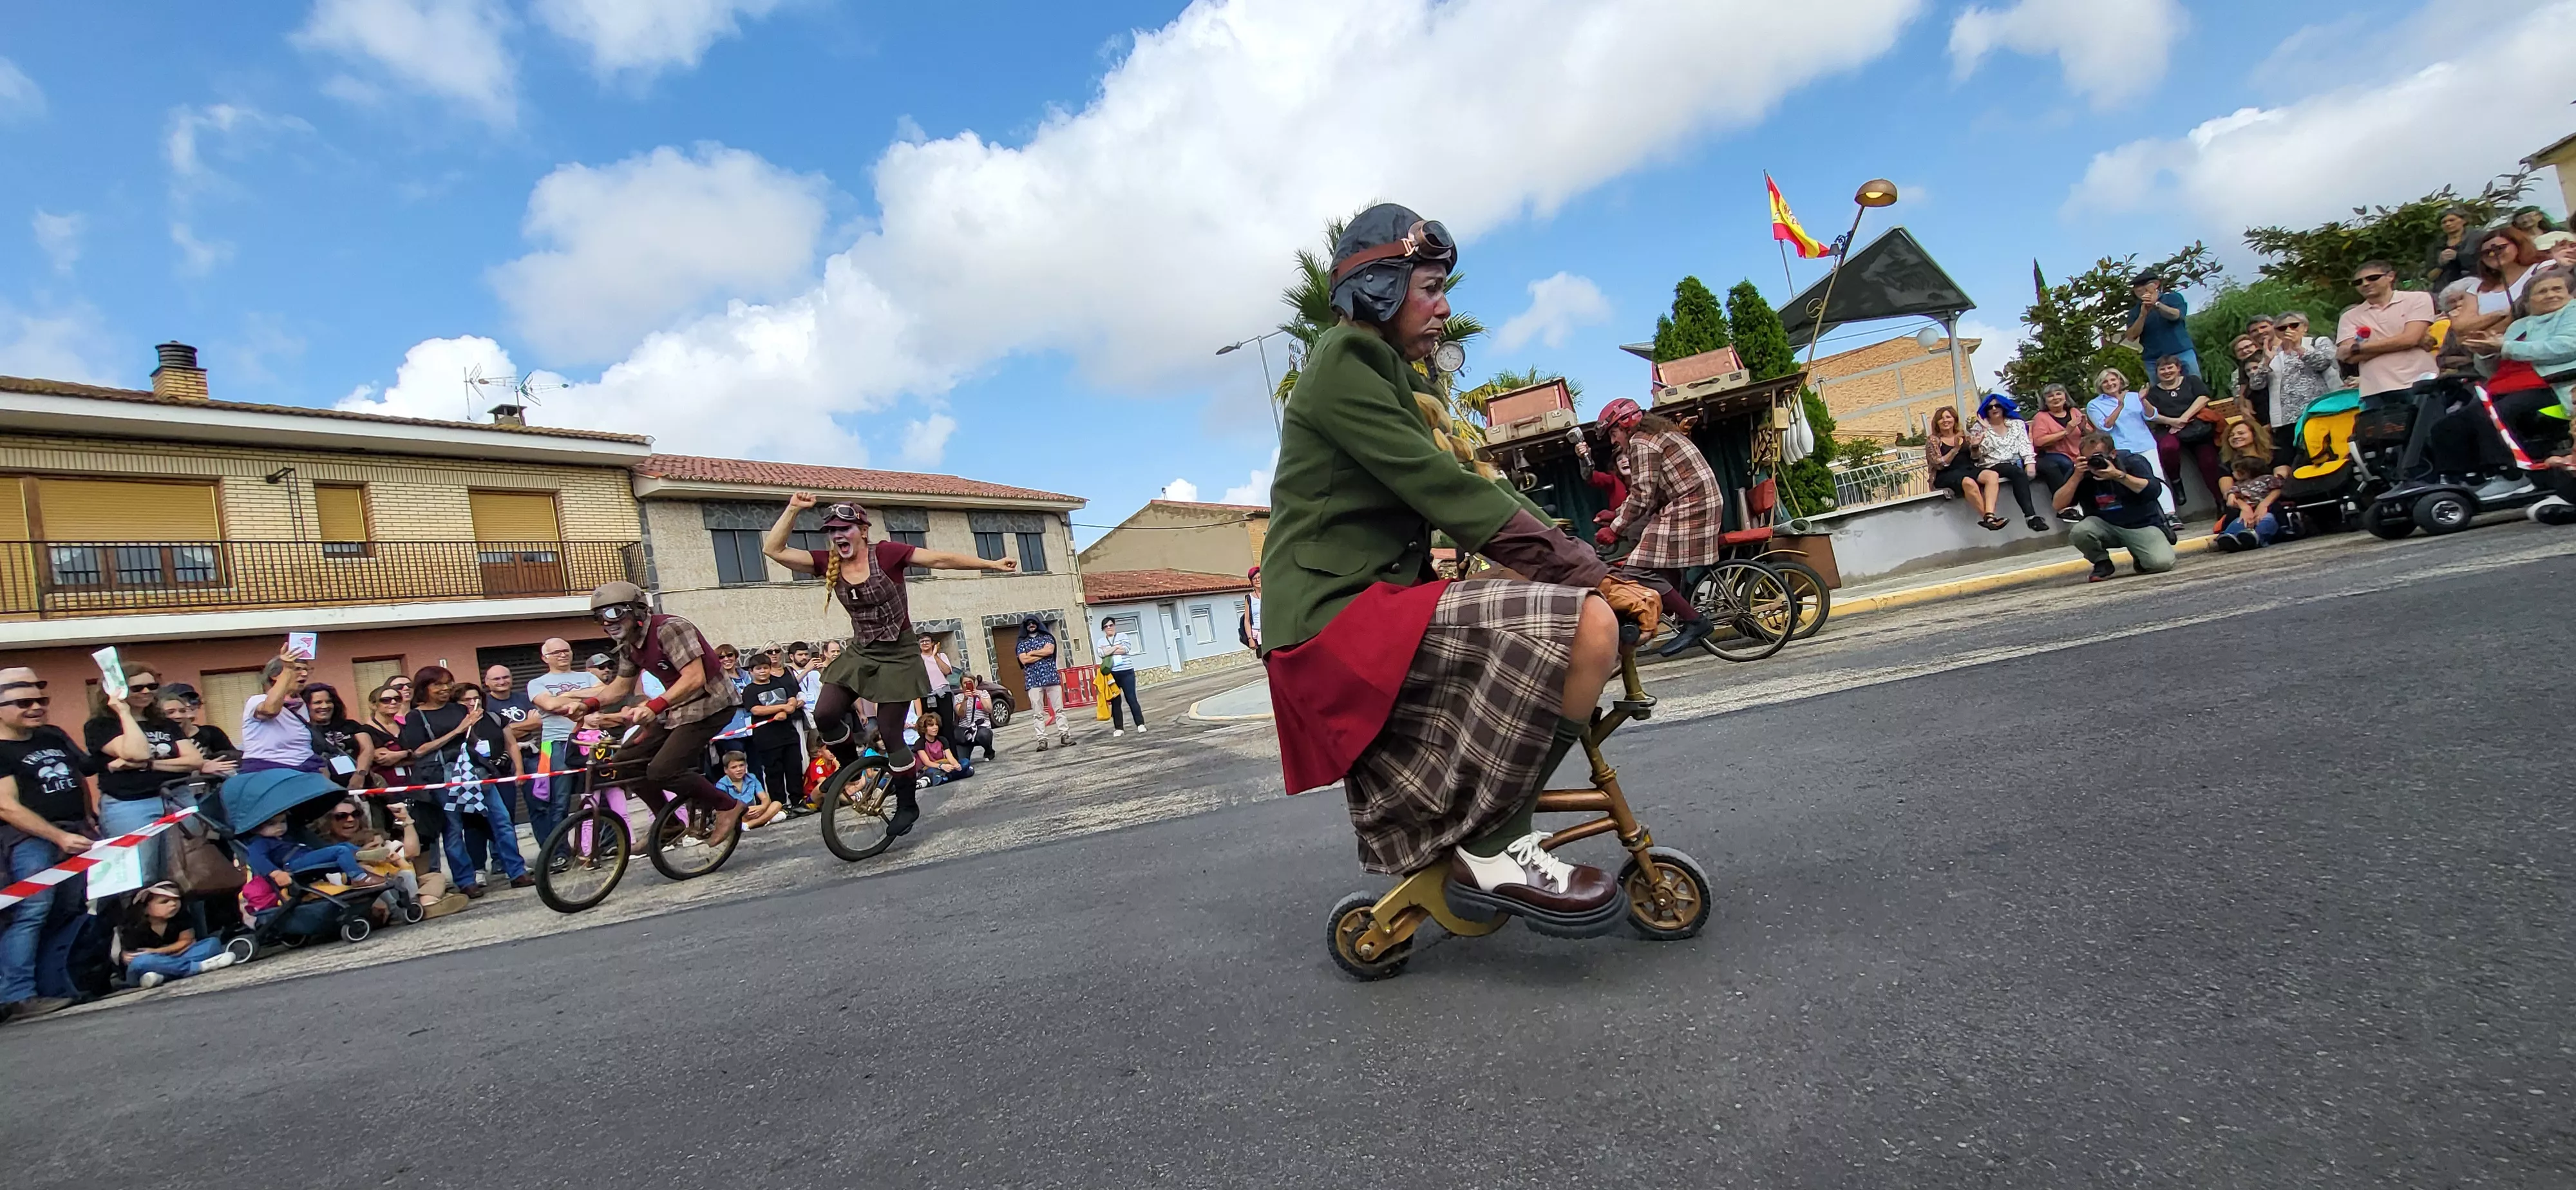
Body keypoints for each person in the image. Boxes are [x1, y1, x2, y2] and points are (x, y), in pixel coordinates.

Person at [1260, 202, 1656, 925]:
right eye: (1430, 288)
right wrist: (1592, 580)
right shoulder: (1345, 364)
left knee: (1571, 607)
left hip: (1370, 608)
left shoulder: (1395, 376)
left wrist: (1587, 559)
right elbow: (1448, 493)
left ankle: (1489, 832)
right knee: (1585, 627)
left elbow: (1483, 483)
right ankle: (1495, 844)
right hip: (1334, 625)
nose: (1444, 308)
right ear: (1380, 289)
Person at [757, 497, 1016, 837]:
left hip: (899, 653)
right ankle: (851, 767)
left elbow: (939, 558)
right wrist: (793, 509)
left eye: (845, 528)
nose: (838, 536)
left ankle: (907, 804)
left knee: (892, 733)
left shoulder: (887, 553)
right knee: (825, 715)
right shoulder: (827, 562)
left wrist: (991, 563)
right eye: (832, 531)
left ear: (863, 531)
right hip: (862, 651)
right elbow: (773, 550)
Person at [564, 583, 748, 849]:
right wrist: (589, 705)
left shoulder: (670, 629)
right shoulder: (629, 644)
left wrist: (653, 706)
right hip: (677, 707)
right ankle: (670, 823)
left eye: (615, 613)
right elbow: (621, 686)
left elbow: (695, 678)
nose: (607, 622)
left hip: (711, 703)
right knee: (625, 761)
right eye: (600, 616)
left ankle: (727, 805)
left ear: (637, 611)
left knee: (663, 770)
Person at [1591, 396, 1725, 654]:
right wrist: (1616, 514)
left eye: (1614, 433)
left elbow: (1642, 494)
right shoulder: (1659, 434)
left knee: (1637, 569)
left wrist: (1615, 529)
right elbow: (1650, 494)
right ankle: (1682, 611)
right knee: (1658, 562)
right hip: (1696, 502)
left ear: (1626, 424)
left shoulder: (1641, 442)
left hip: (1691, 506)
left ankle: (1694, 621)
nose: (1613, 441)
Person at [0, 667, 96, 1021]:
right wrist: (58, 837)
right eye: (24, 702)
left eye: (42, 699)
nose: (36, 707)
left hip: (74, 833)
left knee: (68, 910)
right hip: (29, 841)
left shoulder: (52, 735)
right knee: (30, 913)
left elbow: (82, 774)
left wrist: (87, 822)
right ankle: (17, 996)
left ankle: (54, 986)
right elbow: (6, 805)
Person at [396, 667, 531, 896]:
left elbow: (473, 739)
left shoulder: (459, 709)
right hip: (442, 777)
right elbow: (419, 751)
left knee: (502, 822)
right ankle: (465, 881)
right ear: (424, 688)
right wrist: (458, 730)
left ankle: (517, 872)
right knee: (453, 830)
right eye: (438, 684)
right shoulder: (416, 716)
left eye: (448, 683)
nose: (445, 688)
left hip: (476, 772)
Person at [2459, 265, 2576, 502]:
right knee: (2453, 422)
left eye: (2557, 289)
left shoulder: (2573, 313)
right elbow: (2491, 370)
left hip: (2556, 388)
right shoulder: (2519, 326)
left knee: (2493, 415)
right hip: (2508, 387)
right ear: (2528, 300)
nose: (2551, 295)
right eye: (2542, 292)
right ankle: (2459, 478)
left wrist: (2505, 346)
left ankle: (2513, 476)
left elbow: (2567, 347)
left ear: (2570, 294)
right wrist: (2486, 353)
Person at [83, 659, 196, 887]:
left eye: (152, 687)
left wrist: (149, 766)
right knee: (140, 874)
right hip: (131, 804)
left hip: (177, 798)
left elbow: (194, 760)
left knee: (189, 870)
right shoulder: (101, 725)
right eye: (137, 688)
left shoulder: (164, 723)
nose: (146, 692)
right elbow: (137, 752)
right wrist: (123, 712)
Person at [2050, 431, 2175, 581]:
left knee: (2161, 563)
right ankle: (2102, 562)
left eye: (2098, 457)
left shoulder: (2132, 462)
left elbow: (2154, 490)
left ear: (2113, 454)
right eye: (2089, 459)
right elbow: (2058, 504)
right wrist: (2076, 476)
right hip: (2105, 525)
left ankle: (2141, 557)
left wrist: (2118, 475)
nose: (2094, 462)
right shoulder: (2082, 472)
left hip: (2142, 525)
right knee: (2079, 531)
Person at [520, 638, 600, 845]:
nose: (562, 655)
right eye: (556, 652)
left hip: (591, 740)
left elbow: (606, 694)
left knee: (600, 792)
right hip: (555, 744)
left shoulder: (588, 676)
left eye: (566, 650)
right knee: (559, 800)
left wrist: (569, 695)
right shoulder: (536, 683)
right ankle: (559, 852)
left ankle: (602, 844)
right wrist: (585, 701)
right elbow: (550, 704)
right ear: (545, 658)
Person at [450, 683, 525, 880]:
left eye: (476, 699)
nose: (472, 703)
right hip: (471, 778)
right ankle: (478, 868)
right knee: (474, 824)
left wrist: (519, 769)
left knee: (505, 821)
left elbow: (511, 744)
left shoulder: (495, 717)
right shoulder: (457, 723)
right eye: (466, 700)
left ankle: (510, 865)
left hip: (500, 773)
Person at [2338, 260, 2440, 404]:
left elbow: (2410, 339)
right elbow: (2350, 358)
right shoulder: (2349, 316)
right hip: (2376, 390)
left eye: (2373, 278)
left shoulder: (2418, 298)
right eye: (2358, 282)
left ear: (2390, 276)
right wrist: (2410, 341)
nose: (2365, 284)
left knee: (2428, 427)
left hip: (2420, 382)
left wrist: (2358, 348)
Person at [2085, 368, 2174, 517]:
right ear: (2100, 385)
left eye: (2113, 380)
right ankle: (2145, 516)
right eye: (2105, 381)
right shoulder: (2094, 405)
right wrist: (2119, 406)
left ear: (2120, 381)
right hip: (2121, 449)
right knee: (2127, 483)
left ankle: (2170, 514)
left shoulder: (2134, 396)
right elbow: (2104, 426)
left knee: (2157, 479)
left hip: (2145, 444)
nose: (2110, 384)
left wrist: (2143, 400)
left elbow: (2152, 416)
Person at [117, 882, 238, 989]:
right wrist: (169, 952)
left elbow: (187, 941)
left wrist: (157, 951)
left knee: (212, 943)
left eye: (177, 900)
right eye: (164, 902)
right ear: (146, 909)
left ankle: (163, 975)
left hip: (171, 959)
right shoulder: (133, 926)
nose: (174, 904)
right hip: (147, 965)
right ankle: (199, 967)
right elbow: (133, 959)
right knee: (142, 962)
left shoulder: (181, 917)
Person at [2143, 355, 2220, 513]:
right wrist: (2173, 422)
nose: (2167, 371)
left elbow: (2203, 398)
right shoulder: (2153, 393)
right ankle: (2177, 484)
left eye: (2170, 367)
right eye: (2162, 369)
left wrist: (2183, 419)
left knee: (2209, 462)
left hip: (2196, 426)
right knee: (2168, 448)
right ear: (2157, 373)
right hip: (2168, 428)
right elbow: (2152, 415)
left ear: (2178, 368)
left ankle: (2221, 501)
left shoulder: (2191, 381)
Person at [2266, 312, 2341, 462]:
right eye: (2282, 328)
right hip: (2288, 418)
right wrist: (2265, 363)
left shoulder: (2318, 342)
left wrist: (2299, 348)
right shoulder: (2274, 353)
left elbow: (2324, 364)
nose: (2288, 330)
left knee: (2327, 454)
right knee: (2300, 459)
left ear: (2305, 327)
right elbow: (2257, 384)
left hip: (2319, 411)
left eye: (2294, 326)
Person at [1965, 393, 2045, 531]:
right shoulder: (1980, 428)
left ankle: (2067, 509)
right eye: (1990, 407)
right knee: (2015, 472)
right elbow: (1976, 457)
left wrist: (2030, 463)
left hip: (2017, 462)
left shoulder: (2017, 424)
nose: (1994, 409)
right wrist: (1977, 442)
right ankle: (2031, 517)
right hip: (1992, 464)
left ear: (2003, 407)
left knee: (2050, 467)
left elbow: (2025, 445)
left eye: (1997, 405)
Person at [242, 813, 381, 890]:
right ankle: (358, 877)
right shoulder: (259, 843)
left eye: (283, 822)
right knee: (340, 850)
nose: (280, 827)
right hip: (294, 864)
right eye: (272, 824)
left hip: (304, 857)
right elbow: (256, 859)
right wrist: (275, 873)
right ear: (256, 828)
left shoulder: (286, 837)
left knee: (345, 846)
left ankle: (364, 855)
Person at [240, 644, 321, 773]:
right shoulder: (256, 701)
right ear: (276, 675)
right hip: (269, 769)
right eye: (297, 669)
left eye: (307, 670)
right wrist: (288, 669)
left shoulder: (301, 705)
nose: (305, 674)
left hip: (305, 768)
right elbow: (270, 710)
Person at [741, 652, 805, 811]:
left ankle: (798, 802)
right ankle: (780, 804)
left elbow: (792, 700)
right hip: (767, 738)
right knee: (774, 772)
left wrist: (787, 709)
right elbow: (756, 710)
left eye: (765, 668)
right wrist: (782, 708)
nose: (762, 671)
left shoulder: (781, 683)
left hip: (789, 734)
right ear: (751, 671)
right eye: (758, 669)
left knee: (795, 768)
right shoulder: (750, 690)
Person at [481, 664, 539, 829]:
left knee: (540, 804)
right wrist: (527, 724)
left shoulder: (523, 698)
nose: (502, 681)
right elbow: (494, 734)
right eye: (496, 679)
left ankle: (551, 851)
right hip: (502, 761)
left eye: (505, 677)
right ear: (487, 682)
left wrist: (505, 730)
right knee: (504, 811)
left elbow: (539, 722)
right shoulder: (486, 704)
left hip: (530, 755)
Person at [1013, 617, 1072, 752]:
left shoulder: (1047, 638)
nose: (1031, 625)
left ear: (1038, 624)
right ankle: (1042, 739)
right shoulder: (1022, 643)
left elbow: (1050, 651)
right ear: (1025, 627)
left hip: (1051, 677)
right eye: (1028, 624)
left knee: (1059, 709)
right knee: (1037, 713)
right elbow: (1024, 660)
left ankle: (1064, 735)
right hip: (1033, 681)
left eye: (1033, 623)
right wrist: (1042, 653)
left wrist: (1032, 653)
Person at [299, 683, 372, 791]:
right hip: (324, 789)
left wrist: (360, 775)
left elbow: (367, 749)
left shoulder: (351, 725)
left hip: (360, 785)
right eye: (317, 703)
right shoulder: (302, 731)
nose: (325, 706)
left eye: (329, 702)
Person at [2126, 270, 2196, 377]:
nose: (2140, 289)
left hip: (2181, 353)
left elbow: (2176, 315)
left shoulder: (2173, 298)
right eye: (2136, 286)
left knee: (2195, 385)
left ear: (2156, 284)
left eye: (2144, 284)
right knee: (2159, 392)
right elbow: (2131, 337)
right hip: (2154, 360)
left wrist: (2157, 304)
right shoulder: (2134, 311)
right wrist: (2143, 315)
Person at [2029, 384, 2094, 498]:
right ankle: (2069, 500)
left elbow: (2091, 436)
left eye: (2059, 394)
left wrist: (2083, 428)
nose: (2055, 398)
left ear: (2065, 397)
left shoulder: (2074, 412)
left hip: (2078, 453)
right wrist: (2066, 432)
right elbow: (2039, 442)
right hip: (2055, 455)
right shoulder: (2041, 417)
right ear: (2045, 401)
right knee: (2066, 464)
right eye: (2050, 396)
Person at [2212, 456, 2284, 552]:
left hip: (2266, 511)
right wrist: (2240, 504)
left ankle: (2255, 537)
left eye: (2237, 471)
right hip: (2246, 513)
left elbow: (2279, 490)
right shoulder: (2238, 485)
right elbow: (2230, 500)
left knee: (2268, 520)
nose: (2233, 474)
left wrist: (2264, 504)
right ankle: (2229, 537)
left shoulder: (2268, 479)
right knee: (2239, 522)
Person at [1096, 616, 1148, 735]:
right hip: (1112, 674)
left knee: (1132, 699)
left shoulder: (1123, 636)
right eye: (1106, 626)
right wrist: (1116, 647)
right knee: (1115, 701)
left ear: (1115, 625)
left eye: (1111, 625)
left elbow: (1126, 649)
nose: (1109, 628)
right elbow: (1101, 654)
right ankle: (1119, 728)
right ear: (1103, 629)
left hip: (1127, 671)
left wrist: (1109, 650)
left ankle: (1140, 724)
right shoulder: (1101, 641)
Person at [712, 752, 783, 829]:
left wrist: (762, 807)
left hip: (753, 812)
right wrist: (742, 812)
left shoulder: (752, 778)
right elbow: (724, 809)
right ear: (726, 770)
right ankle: (764, 820)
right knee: (728, 820)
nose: (739, 770)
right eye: (734, 767)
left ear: (746, 766)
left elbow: (765, 798)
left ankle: (749, 825)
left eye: (741, 766)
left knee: (777, 804)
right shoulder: (721, 785)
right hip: (736, 815)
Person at [2426, 206, 2477, 291]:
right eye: (2444, 222)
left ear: (2464, 221)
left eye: (2452, 220)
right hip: (2445, 291)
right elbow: (2430, 276)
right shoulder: (2436, 246)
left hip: (2473, 287)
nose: (2448, 224)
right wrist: (2441, 265)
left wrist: (2458, 257)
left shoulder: (2477, 237)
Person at [2230, 333, 2274, 426]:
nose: (2245, 351)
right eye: (2240, 350)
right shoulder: (2237, 373)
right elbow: (2241, 393)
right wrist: (2243, 406)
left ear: (2256, 347)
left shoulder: (2271, 362)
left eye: (2248, 346)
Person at [915, 713, 971, 784]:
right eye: (931, 726)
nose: (935, 728)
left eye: (936, 725)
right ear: (924, 728)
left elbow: (950, 758)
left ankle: (945, 778)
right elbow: (927, 763)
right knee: (932, 772)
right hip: (931, 768)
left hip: (945, 766)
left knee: (965, 762)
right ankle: (957, 775)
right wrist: (941, 766)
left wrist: (957, 765)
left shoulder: (942, 740)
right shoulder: (920, 743)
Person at [953, 675, 998, 762]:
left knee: (983, 735)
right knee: (962, 761)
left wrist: (980, 697)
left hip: (981, 728)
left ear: (975, 683)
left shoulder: (984, 693)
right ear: (961, 686)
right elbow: (961, 714)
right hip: (966, 731)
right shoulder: (958, 697)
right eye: (965, 683)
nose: (967, 685)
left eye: (970, 682)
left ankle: (989, 750)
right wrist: (965, 701)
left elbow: (989, 710)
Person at [1238, 567, 1263, 650]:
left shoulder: (1271, 594)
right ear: (1252, 582)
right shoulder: (1249, 598)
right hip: (1258, 636)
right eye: (1254, 579)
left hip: (1273, 634)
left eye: (1260, 577)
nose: (1258, 580)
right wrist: (1250, 639)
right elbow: (1247, 620)